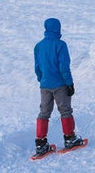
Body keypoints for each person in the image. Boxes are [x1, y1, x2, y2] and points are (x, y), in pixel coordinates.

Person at [33, 17, 85, 156]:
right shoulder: (60, 45)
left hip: (45, 85)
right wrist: (69, 83)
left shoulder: (38, 46)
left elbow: (37, 68)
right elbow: (64, 66)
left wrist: (42, 80)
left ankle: (41, 144)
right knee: (65, 111)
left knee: (44, 113)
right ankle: (69, 139)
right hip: (60, 84)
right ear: (57, 28)